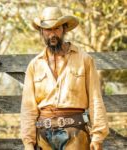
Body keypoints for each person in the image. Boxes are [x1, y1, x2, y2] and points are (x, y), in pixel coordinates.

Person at [20, 7, 109, 150]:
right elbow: (28, 108)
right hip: (43, 135)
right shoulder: (34, 65)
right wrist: (28, 142)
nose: (52, 34)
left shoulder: (84, 60)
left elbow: (95, 99)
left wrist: (98, 135)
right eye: (47, 29)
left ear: (65, 29)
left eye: (56, 28)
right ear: (41, 32)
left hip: (76, 133)